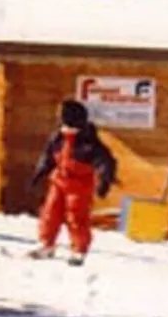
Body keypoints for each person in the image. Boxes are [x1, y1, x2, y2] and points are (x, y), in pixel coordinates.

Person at [27, 99, 118, 265]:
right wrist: (39, 174)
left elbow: (106, 162)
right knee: (49, 213)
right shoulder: (58, 138)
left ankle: (79, 249)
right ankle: (46, 244)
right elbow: (47, 158)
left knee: (76, 216)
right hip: (58, 181)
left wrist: (105, 181)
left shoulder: (89, 142)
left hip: (79, 186)